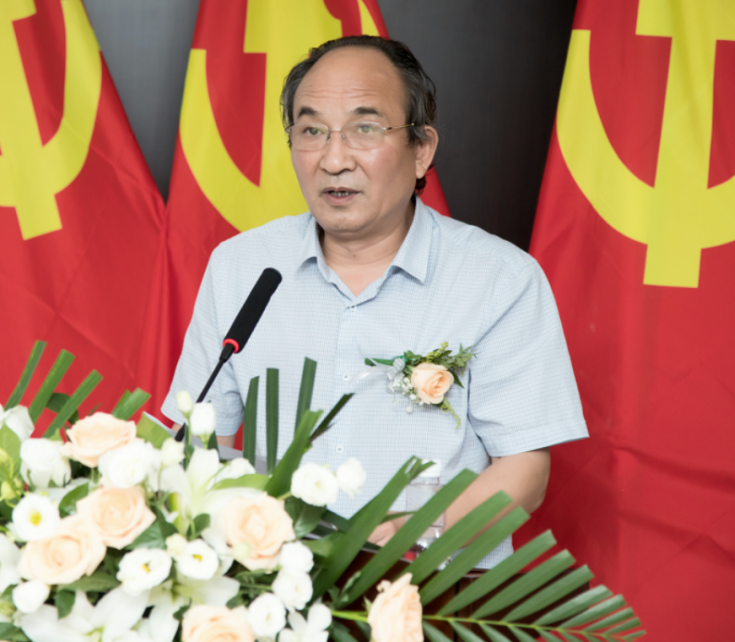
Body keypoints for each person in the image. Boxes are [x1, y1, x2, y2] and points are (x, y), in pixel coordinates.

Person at [160, 35, 587, 566]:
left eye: (365, 129)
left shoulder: (498, 279)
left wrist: (406, 538)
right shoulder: (243, 267)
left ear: (421, 150)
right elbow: (198, 441)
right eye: (312, 131)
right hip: (273, 584)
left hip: (434, 587)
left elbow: (525, 472)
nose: (334, 159)